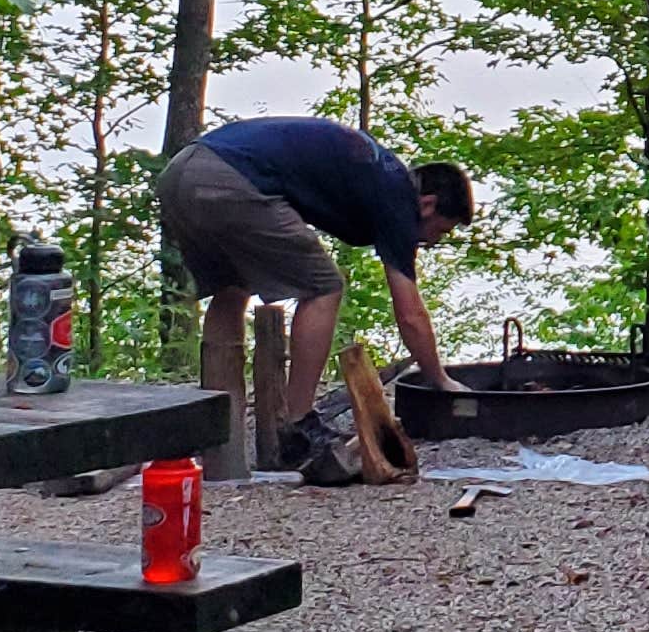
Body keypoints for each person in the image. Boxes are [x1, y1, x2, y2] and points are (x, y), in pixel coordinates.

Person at [159, 115, 473, 454]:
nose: (434, 241)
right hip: (230, 178)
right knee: (324, 286)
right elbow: (410, 315)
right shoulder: (398, 196)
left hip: (181, 172)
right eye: (441, 230)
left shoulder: (379, 174)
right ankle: (298, 425)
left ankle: (221, 429)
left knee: (231, 290)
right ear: (427, 204)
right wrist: (440, 380)